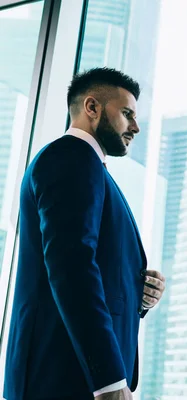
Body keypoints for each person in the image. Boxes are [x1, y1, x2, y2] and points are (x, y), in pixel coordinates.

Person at [3, 67, 166, 400]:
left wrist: (139, 292)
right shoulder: (71, 158)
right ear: (92, 107)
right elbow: (72, 268)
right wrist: (108, 381)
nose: (135, 126)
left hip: (68, 376)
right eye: (127, 114)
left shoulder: (88, 167)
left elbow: (87, 262)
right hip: (63, 376)